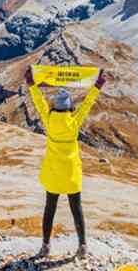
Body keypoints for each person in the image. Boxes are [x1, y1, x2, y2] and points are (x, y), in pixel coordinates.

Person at [24, 66, 106, 259]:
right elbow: (87, 103)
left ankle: (45, 246)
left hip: (53, 173)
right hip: (71, 173)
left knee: (49, 209)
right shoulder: (74, 121)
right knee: (76, 209)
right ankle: (83, 246)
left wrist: (30, 83)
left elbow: (39, 102)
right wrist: (98, 85)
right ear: (69, 107)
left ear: (55, 106)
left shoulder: (49, 118)